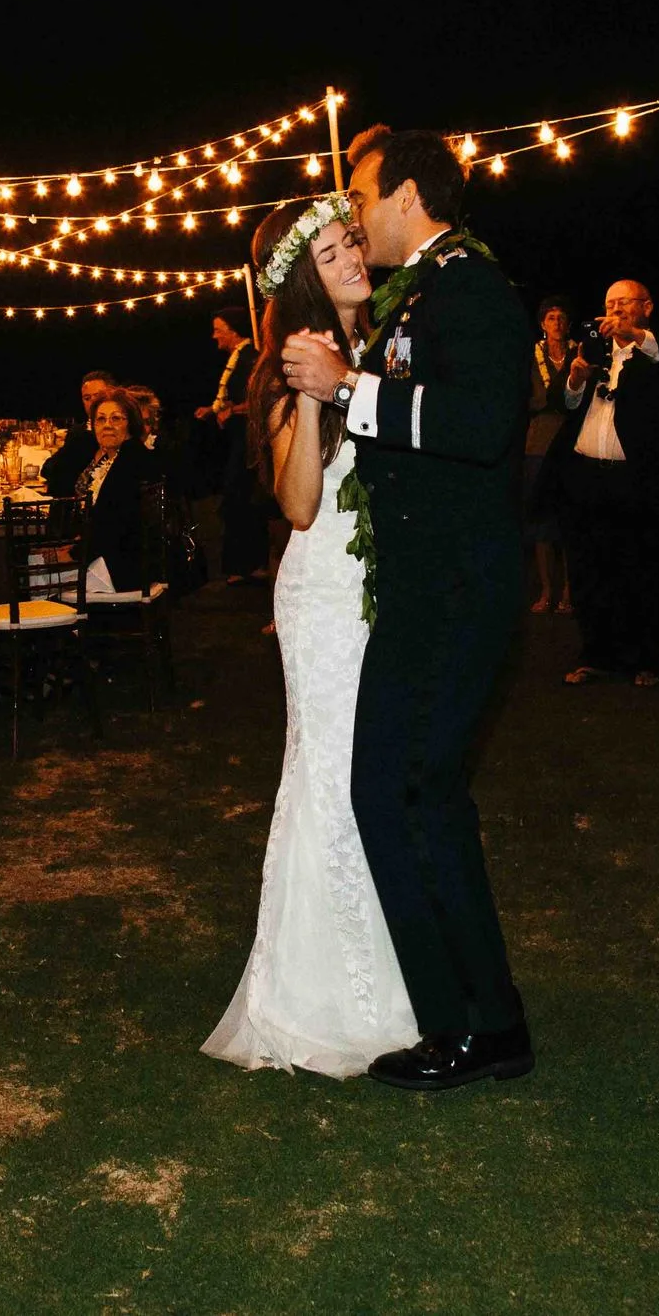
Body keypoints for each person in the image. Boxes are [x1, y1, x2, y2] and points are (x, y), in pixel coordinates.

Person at [277, 127, 532, 1092]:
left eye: (360, 195)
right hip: (423, 588)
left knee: (407, 793)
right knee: (408, 794)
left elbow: (481, 423)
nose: (353, 214)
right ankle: (475, 1020)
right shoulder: (419, 292)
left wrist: (350, 386)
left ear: (409, 196)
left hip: (452, 587)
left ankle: (470, 1026)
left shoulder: (470, 288)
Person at [205, 190, 419, 1078]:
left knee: (390, 776)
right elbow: (297, 506)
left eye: (353, 244)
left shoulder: (384, 345)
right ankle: (322, 996)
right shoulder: (286, 370)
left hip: (383, 590)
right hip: (325, 597)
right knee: (331, 780)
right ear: (301, 280)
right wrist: (307, 388)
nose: (355, 260)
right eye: (331, 255)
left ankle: (404, 969)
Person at [552, 279, 659, 687]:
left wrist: (634, 335)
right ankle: (596, 653)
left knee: (643, 570)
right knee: (590, 570)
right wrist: (576, 378)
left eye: (624, 303)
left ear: (646, 306)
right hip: (587, 477)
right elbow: (563, 403)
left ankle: (646, 657)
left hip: (638, 481)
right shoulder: (593, 349)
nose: (615, 311)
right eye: (609, 303)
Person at [198, 313, 267, 582]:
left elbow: (259, 400)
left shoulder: (251, 358)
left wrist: (232, 410)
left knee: (244, 499)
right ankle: (242, 565)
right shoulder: (238, 359)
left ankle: (251, 564)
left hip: (249, 441)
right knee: (236, 499)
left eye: (219, 330)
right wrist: (214, 409)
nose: (214, 336)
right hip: (237, 440)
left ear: (234, 331)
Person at [76, 392, 165, 597]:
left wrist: (71, 553)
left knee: (36, 570)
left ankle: (62, 618)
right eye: (100, 419)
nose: (107, 425)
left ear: (131, 423)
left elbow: (110, 526)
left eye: (116, 418)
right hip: (119, 558)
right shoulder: (115, 458)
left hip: (122, 568)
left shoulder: (129, 460)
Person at [523, 298, 580, 613]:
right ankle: (546, 590)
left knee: (571, 519)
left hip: (572, 441)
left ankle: (571, 591)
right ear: (542, 324)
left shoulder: (579, 353)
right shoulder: (531, 356)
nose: (556, 323)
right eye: (551, 318)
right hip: (539, 443)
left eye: (561, 317)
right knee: (541, 522)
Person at [42, 370, 119, 495]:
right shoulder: (79, 434)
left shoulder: (117, 437)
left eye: (98, 396)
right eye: (87, 398)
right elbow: (49, 469)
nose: (93, 402)